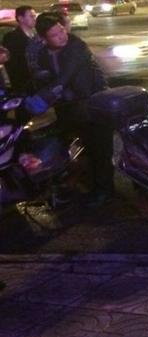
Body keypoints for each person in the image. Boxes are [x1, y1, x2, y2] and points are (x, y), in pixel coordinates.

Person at [27, 13, 112, 206]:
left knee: (99, 151)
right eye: (55, 35)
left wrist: (47, 95)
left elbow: (65, 76)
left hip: (92, 105)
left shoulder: (77, 47)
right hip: (68, 109)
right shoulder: (44, 54)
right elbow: (42, 78)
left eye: (61, 30)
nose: (62, 36)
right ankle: (76, 184)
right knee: (71, 149)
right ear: (44, 39)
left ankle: (104, 191)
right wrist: (29, 93)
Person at [2, 5, 39, 93]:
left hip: (37, 83)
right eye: (31, 16)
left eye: (35, 16)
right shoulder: (12, 37)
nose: (34, 19)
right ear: (21, 18)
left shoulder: (36, 36)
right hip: (22, 84)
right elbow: (12, 63)